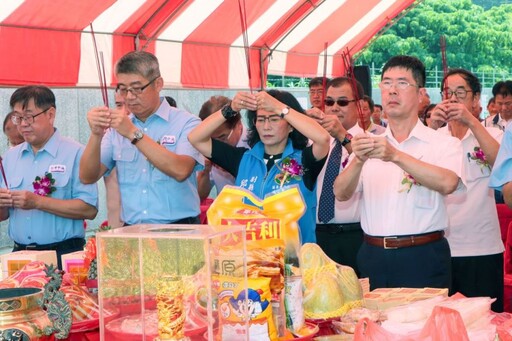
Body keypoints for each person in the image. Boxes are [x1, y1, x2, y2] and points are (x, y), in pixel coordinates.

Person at [333, 55, 464, 290]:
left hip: (423, 256)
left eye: (402, 83)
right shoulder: (369, 143)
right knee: (373, 325)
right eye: (386, 83)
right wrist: (358, 160)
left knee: (421, 326)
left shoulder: (443, 143)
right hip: (372, 255)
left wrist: (395, 155)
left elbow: (448, 183)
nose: (392, 90)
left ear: (421, 94)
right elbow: (341, 193)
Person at [189, 89, 330, 244]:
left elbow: (323, 138)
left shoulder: (305, 160)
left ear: (291, 126)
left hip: (295, 263)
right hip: (254, 260)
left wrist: (278, 106)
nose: (266, 126)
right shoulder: (243, 159)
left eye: (275, 119)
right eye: (261, 119)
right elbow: (195, 138)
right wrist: (231, 108)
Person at [80, 51, 203, 225]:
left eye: (137, 88)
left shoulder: (187, 122)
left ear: (158, 84)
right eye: (123, 89)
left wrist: (133, 134)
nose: (129, 96)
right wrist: (95, 134)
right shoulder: (117, 130)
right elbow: (87, 176)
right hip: (133, 230)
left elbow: (181, 170)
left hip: (180, 228)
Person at [0, 86, 98, 269]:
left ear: (50, 114)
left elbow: (89, 209)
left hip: (62, 255)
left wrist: (38, 202)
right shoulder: (10, 158)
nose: (22, 124)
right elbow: (3, 215)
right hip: (20, 256)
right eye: (17, 118)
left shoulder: (76, 153)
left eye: (28, 117)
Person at [430, 68, 503, 312]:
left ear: (475, 99)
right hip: (439, 248)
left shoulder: (492, 134)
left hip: (482, 247)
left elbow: (500, 164)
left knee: (485, 323)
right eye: (447, 93)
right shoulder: (434, 138)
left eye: (460, 93)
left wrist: (470, 121)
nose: (452, 99)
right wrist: (430, 127)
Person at [306, 77, 365, 273]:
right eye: (329, 102)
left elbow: (366, 163)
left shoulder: (367, 139)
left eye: (342, 102)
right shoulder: (314, 140)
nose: (334, 108)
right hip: (318, 235)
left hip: (355, 236)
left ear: (359, 105)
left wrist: (342, 134)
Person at [196, 95, 249, 201]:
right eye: (211, 140)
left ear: (238, 125)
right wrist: (205, 172)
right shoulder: (206, 147)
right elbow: (199, 196)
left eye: (222, 138)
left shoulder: (255, 145)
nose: (217, 145)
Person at [103, 92, 130, 228]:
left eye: (129, 104)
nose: (124, 111)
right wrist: (96, 136)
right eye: (119, 105)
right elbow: (87, 176)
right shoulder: (110, 136)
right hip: (118, 228)